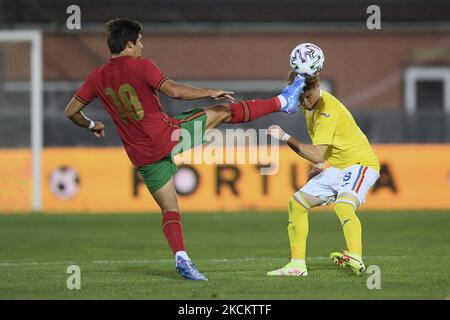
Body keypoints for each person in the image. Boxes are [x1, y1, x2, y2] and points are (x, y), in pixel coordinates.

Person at [64, 18, 306, 281]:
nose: (142, 46)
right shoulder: (141, 66)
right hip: (169, 136)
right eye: (140, 41)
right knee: (224, 111)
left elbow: (71, 111)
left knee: (170, 210)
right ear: (129, 43)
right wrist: (209, 92)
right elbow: (175, 91)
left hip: (143, 155)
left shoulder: (96, 77)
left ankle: (182, 258)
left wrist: (91, 125)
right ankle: (285, 101)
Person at [266, 71, 380, 277]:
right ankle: (297, 266)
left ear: (318, 88)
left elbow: (316, 151)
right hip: (337, 167)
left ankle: (356, 257)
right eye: (301, 98)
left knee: (344, 205)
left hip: (360, 163)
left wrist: (285, 137)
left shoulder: (328, 109)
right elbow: (323, 147)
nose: (305, 102)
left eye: (308, 96)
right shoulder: (310, 106)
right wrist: (320, 164)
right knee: (297, 204)